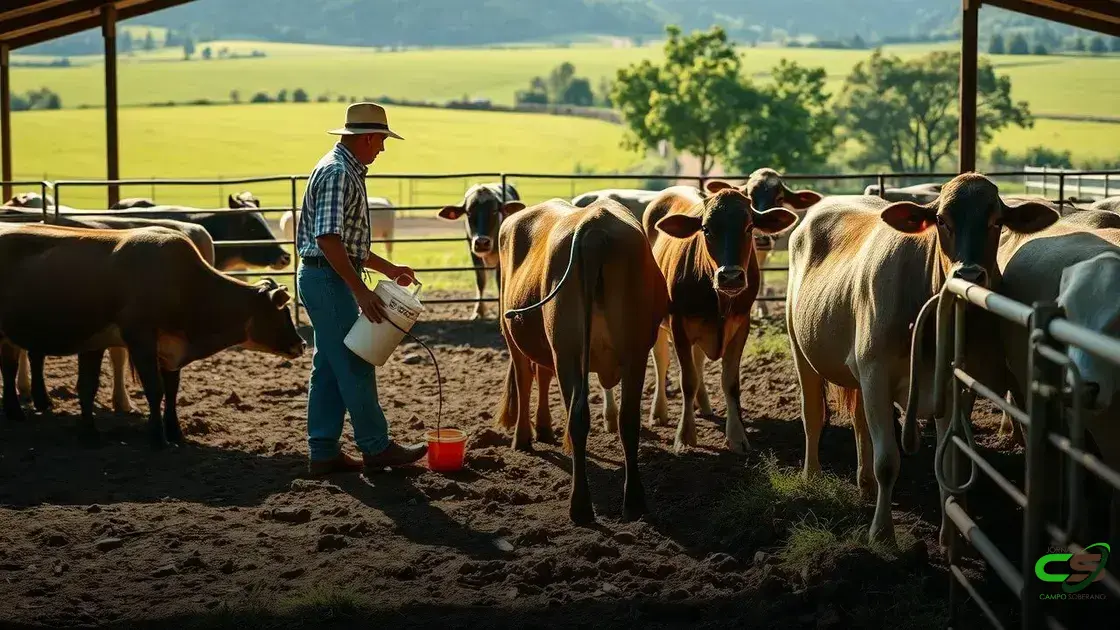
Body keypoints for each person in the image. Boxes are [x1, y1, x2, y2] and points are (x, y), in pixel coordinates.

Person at [296, 102, 428, 475]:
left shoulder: (341, 168)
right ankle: (375, 446)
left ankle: (323, 450)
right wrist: (359, 290)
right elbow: (328, 239)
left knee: (328, 365)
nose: (383, 148)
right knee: (356, 359)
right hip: (329, 278)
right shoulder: (339, 173)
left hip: (325, 275)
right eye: (382, 140)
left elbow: (344, 242)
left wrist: (388, 268)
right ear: (368, 137)